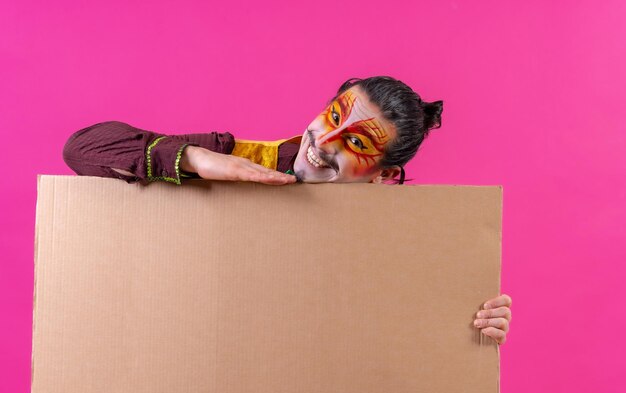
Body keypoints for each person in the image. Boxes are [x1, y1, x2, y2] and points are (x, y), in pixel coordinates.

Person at [63, 75, 512, 344]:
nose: (322, 142)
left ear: (382, 175)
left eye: (356, 143)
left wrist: (475, 327)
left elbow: (421, 332)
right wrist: (196, 161)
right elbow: (81, 148)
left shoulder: (408, 245)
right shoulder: (238, 159)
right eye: (333, 118)